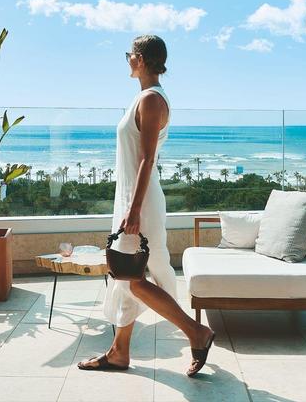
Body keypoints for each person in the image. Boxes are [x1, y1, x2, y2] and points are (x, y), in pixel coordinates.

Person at [78, 35, 215, 377]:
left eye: (129, 54)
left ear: (140, 58)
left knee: (133, 277)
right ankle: (119, 352)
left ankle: (196, 332)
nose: (126, 60)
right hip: (132, 199)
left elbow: (147, 159)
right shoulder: (142, 98)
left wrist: (135, 208)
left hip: (140, 202)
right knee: (127, 276)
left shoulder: (151, 100)